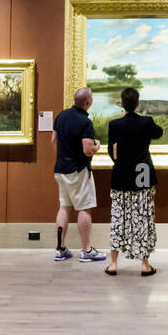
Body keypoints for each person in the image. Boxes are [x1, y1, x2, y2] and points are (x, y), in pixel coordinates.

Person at [105, 87, 163, 277]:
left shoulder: (114, 125)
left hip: (121, 172)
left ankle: (113, 263)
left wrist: (120, 163)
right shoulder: (146, 122)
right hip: (143, 171)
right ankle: (145, 264)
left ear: (121, 103)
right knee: (143, 215)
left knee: (118, 216)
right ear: (138, 103)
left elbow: (110, 150)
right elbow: (158, 133)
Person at [52, 86, 106, 262]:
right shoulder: (85, 122)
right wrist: (97, 145)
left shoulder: (61, 116)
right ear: (88, 102)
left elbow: (54, 140)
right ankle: (86, 250)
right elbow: (88, 151)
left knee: (64, 207)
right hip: (79, 171)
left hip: (60, 170)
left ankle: (60, 249)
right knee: (84, 208)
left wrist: (63, 158)